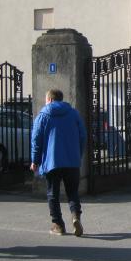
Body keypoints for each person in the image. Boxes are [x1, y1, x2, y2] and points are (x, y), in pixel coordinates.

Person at [31, 89, 87, 236]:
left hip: (52, 162)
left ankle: (58, 225)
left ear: (49, 99)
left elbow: (36, 140)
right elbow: (83, 136)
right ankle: (76, 216)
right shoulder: (74, 114)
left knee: (53, 194)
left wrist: (35, 161)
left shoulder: (43, 115)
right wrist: (77, 154)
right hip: (72, 161)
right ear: (61, 99)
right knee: (73, 192)